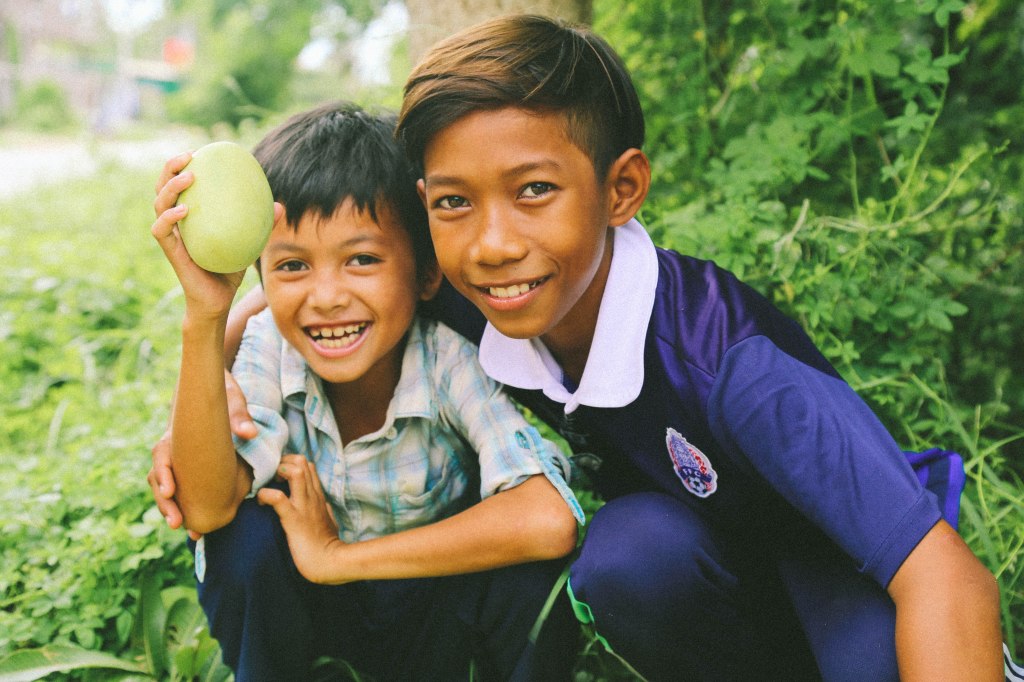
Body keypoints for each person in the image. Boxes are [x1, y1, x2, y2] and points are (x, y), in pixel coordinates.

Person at [151, 16, 1006, 682]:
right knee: (629, 557)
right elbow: (326, 289)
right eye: (454, 204)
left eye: (534, 192)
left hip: (843, 567)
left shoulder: (724, 359)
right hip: (705, 563)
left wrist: (342, 557)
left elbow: (942, 576)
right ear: (426, 220)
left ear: (621, 188)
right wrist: (217, 352)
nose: (492, 243)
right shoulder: (492, 297)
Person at [149, 101, 584, 682]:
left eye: (361, 259)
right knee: (241, 540)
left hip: (430, 605)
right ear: (261, 275)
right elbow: (206, 506)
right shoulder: (266, 349)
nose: (326, 296)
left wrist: (339, 559)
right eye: (293, 266)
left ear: (426, 273)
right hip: (315, 617)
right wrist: (205, 316)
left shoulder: (448, 360)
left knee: (530, 570)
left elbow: (550, 520)